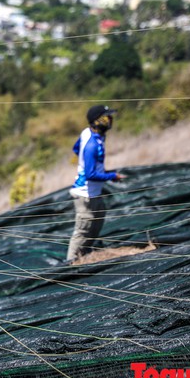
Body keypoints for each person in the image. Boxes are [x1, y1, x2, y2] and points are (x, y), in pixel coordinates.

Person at [66, 104, 125, 262]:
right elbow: (91, 174)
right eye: (106, 117)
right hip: (85, 196)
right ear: (97, 121)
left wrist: (84, 161)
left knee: (96, 224)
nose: (110, 119)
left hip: (94, 193)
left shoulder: (90, 134)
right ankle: (69, 265)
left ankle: (84, 258)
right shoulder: (92, 145)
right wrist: (112, 175)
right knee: (82, 232)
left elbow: (76, 148)